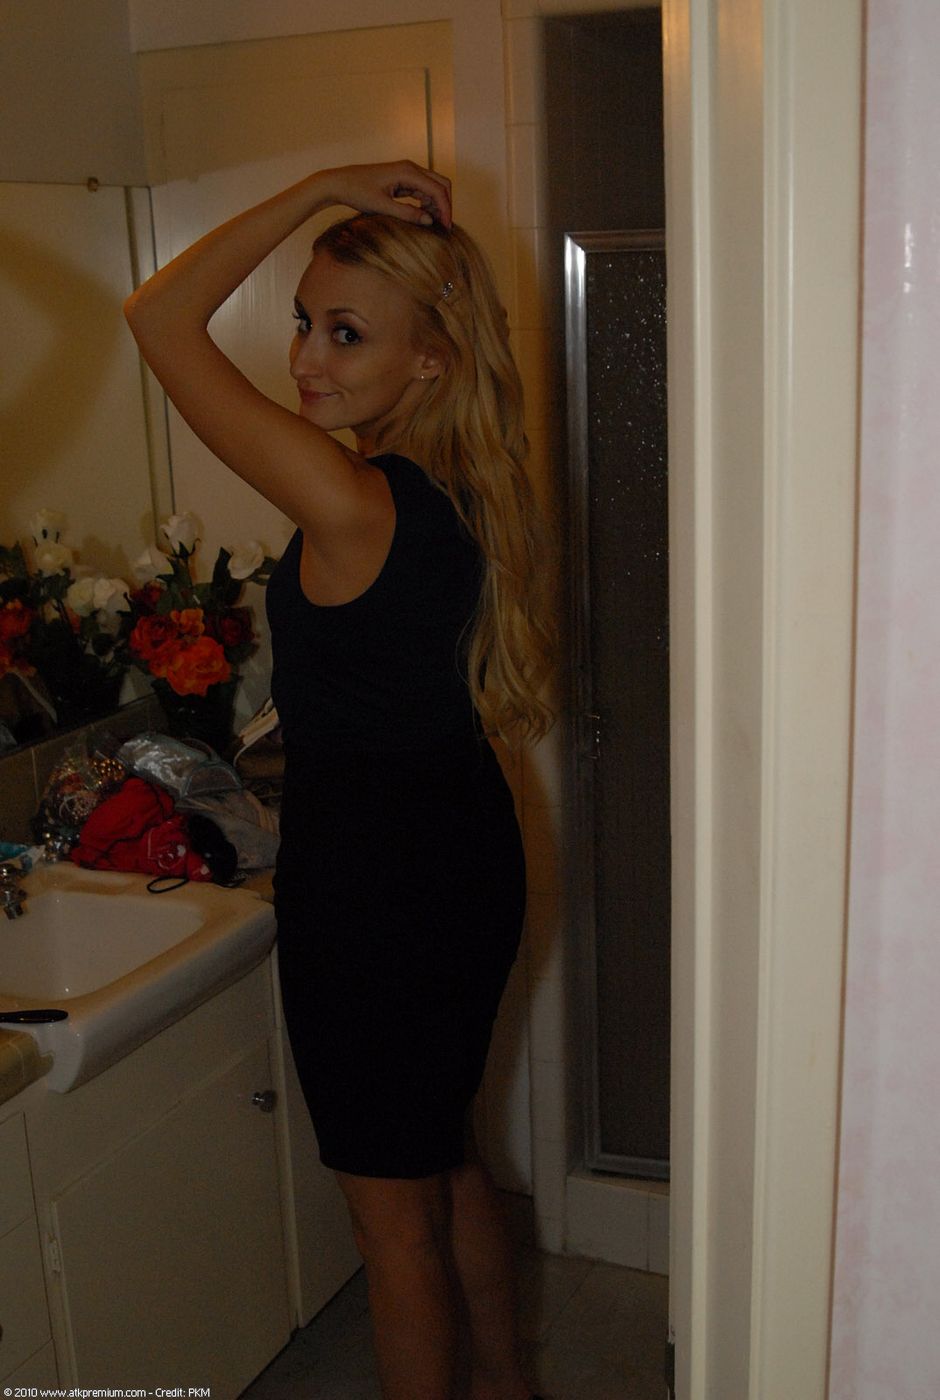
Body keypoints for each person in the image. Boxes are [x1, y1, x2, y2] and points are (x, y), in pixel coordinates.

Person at [124, 160, 553, 1400]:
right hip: (460, 851)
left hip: (374, 887)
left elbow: (157, 317)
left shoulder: (352, 498)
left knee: (390, 1223)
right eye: (306, 321)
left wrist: (317, 188)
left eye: (346, 333)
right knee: (445, 1160)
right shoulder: (464, 486)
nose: (306, 358)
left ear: (430, 358)